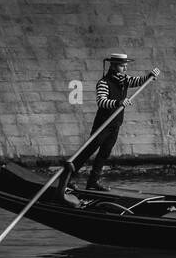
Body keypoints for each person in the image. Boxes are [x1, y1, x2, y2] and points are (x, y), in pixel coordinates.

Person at [67, 52, 159, 191]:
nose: (125, 69)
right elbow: (101, 102)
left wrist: (150, 76)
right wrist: (119, 102)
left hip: (115, 124)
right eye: (123, 66)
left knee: (105, 153)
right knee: (88, 151)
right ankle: (68, 178)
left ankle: (92, 182)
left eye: (126, 66)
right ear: (114, 66)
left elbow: (139, 81)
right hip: (103, 124)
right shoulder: (104, 83)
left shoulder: (125, 79)